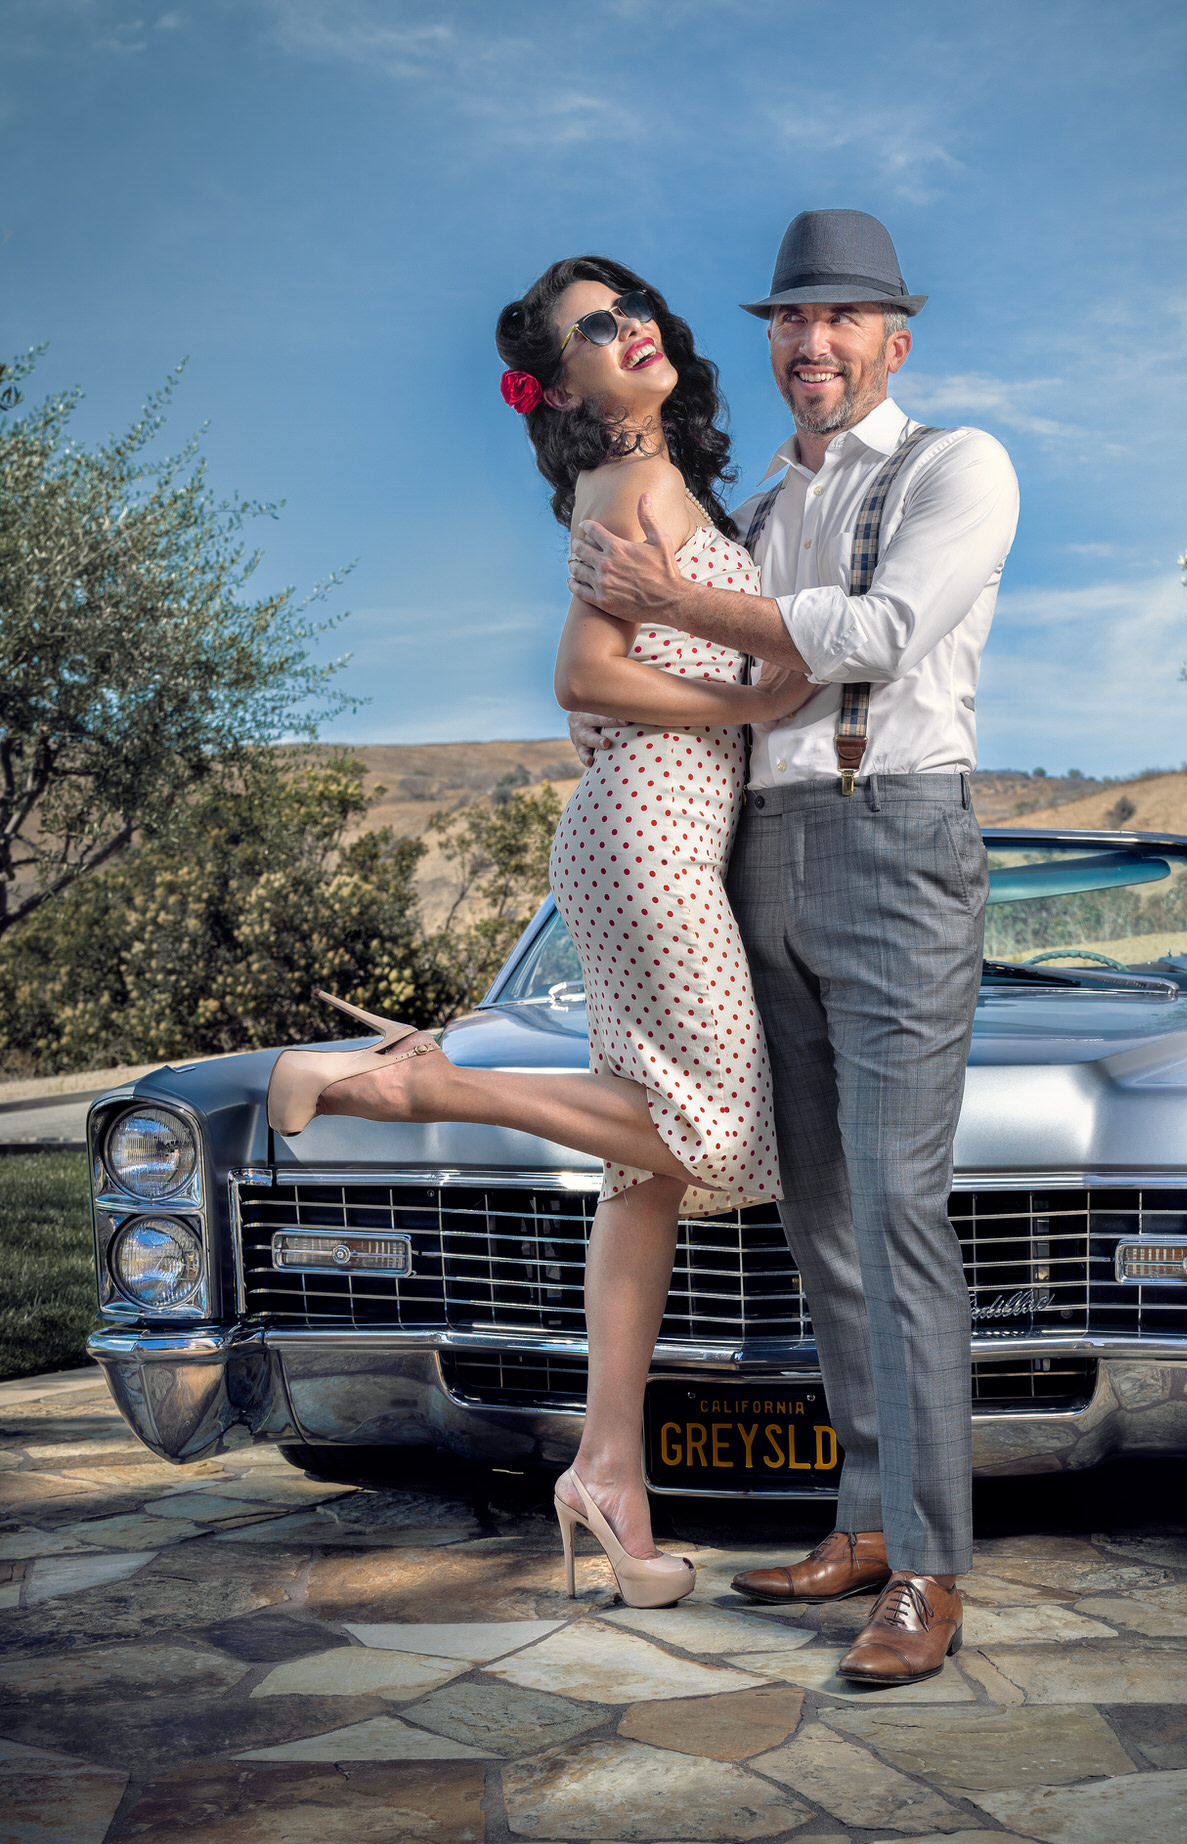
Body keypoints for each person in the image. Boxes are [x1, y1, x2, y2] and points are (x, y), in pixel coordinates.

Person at [265, 255, 813, 1610]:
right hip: (650, 833)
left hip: (644, 827)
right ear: (560, 380)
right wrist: (755, 707)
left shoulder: (652, 479)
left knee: (648, 1174)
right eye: (589, 329)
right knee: (732, 1146)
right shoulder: (623, 481)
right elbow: (583, 673)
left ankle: (607, 1481)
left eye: (630, 309)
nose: (625, 331)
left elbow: (626, 665)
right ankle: (413, 1083)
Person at [567, 210, 1020, 1683]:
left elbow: (877, 632)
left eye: (840, 319)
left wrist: (680, 607)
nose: (810, 344)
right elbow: (677, 670)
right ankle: (868, 1524)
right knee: (819, 1215)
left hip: (896, 841)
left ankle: (930, 1573)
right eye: (788, 320)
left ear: (896, 336)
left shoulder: (957, 466)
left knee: (895, 1209)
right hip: (756, 849)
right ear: (768, 341)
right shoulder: (754, 505)